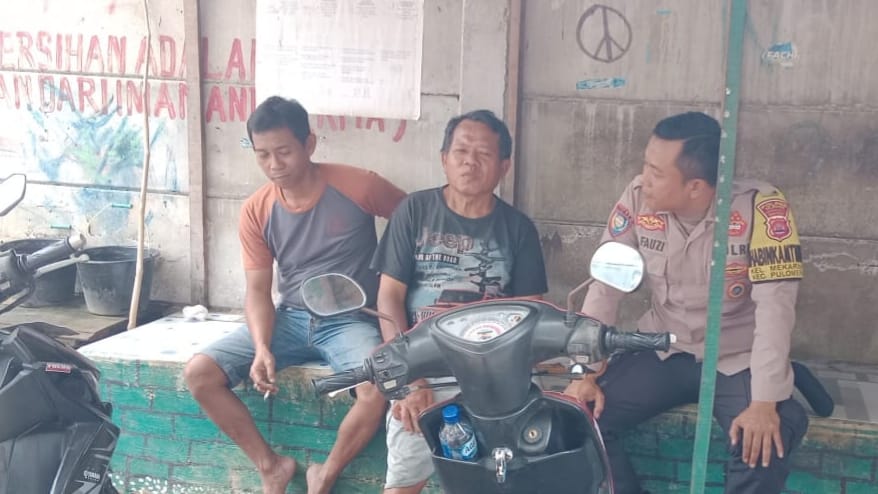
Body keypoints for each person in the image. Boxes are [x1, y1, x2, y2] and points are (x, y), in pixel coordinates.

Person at [565, 111, 809, 493]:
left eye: (656, 173)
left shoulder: (761, 211)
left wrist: (764, 402)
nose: (644, 179)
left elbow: (775, 311)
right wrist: (584, 373)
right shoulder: (637, 198)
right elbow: (605, 285)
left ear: (695, 186)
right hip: (663, 347)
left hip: (736, 357)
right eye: (646, 165)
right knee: (580, 418)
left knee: (763, 444)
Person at [183, 96, 406, 494]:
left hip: (351, 320)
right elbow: (257, 290)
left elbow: (414, 220)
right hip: (290, 318)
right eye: (263, 155)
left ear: (309, 144)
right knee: (199, 374)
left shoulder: (359, 185)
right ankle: (271, 467)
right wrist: (261, 347)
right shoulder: (257, 209)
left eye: (284, 152)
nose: (274, 164)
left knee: (376, 388)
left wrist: (391, 275)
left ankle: (325, 474)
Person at [370, 109, 549, 493]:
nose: (470, 162)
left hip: (496, 371)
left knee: (513, 473)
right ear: (444, 159)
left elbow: (530, 316)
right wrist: (410, 378)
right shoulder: (414, 211)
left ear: (504, 166)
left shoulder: (518, 229)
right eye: (461, 151)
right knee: (403, 480)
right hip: (422, 365)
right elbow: (389, 297)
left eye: (484, 154)